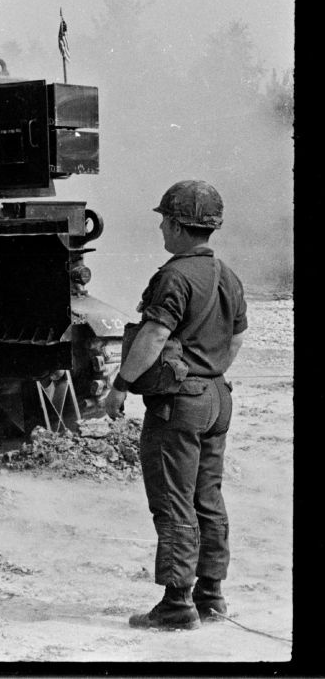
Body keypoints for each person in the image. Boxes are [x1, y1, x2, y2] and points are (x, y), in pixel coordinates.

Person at [101, 180, 247, 630]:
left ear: (181, 227)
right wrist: (208, 368)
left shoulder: (175, 275)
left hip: (180, 405)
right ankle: (211, 595)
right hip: (216, 398)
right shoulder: (228, 275)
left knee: (173, 500)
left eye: (165, 219)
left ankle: (177, 603)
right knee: (208, 498)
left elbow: (155, 335)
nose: (162, 227)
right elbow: (238, 336)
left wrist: (121, 384)